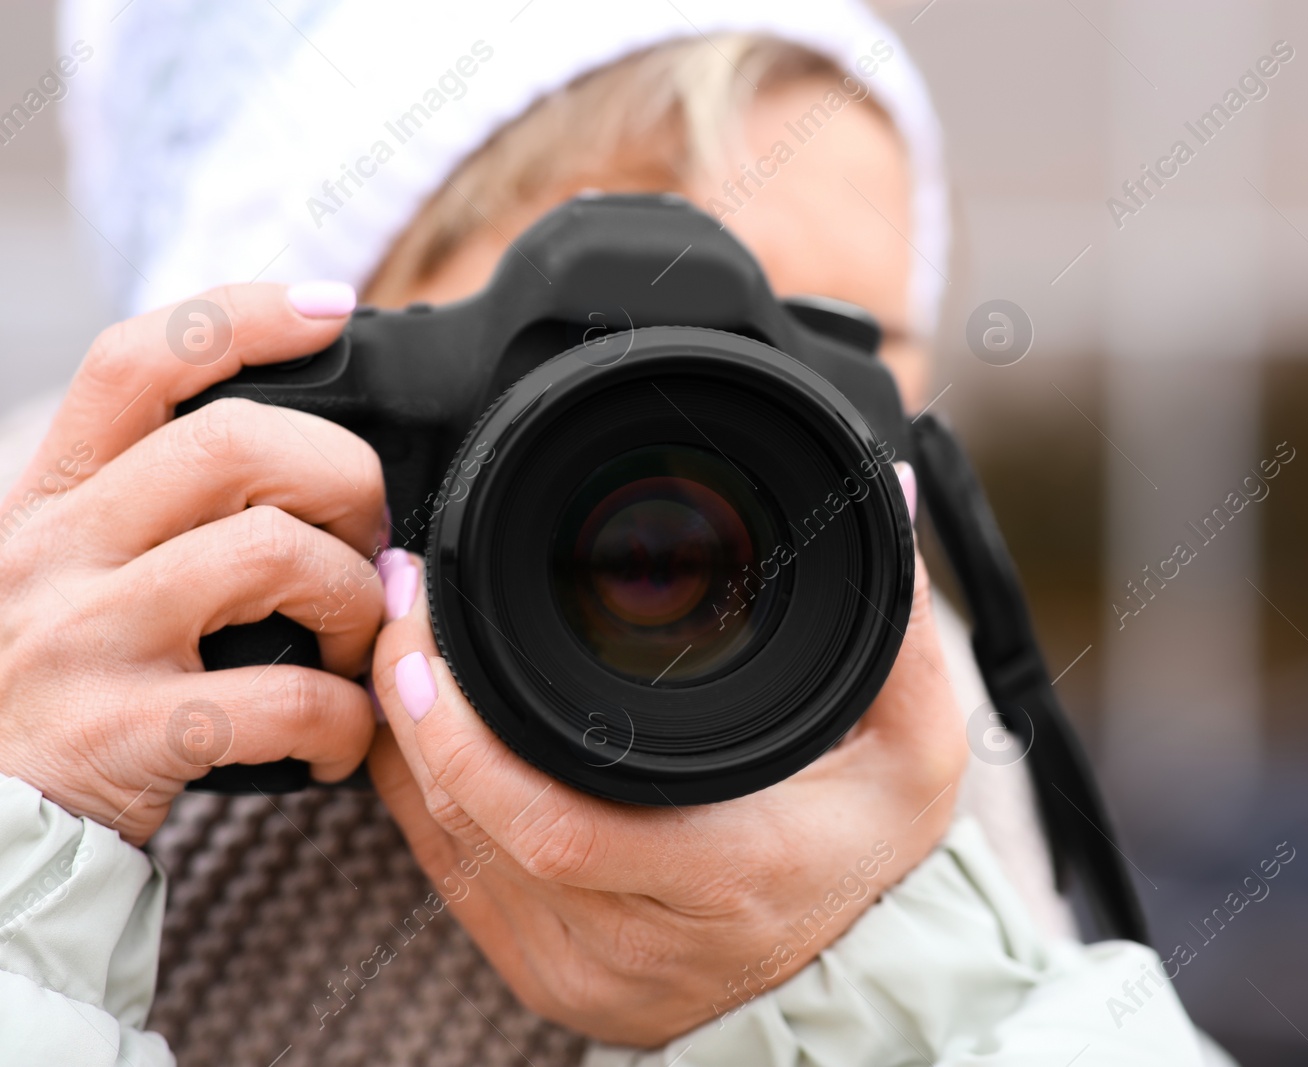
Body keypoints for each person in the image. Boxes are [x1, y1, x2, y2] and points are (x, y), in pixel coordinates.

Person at [0, 2, 1229, 1063]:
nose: (716, 459)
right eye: (587, 368)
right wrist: (31, 854)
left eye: (818, 345)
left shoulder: (932, 744)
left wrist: (885, 990)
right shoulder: (70, 687)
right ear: (300, 401)